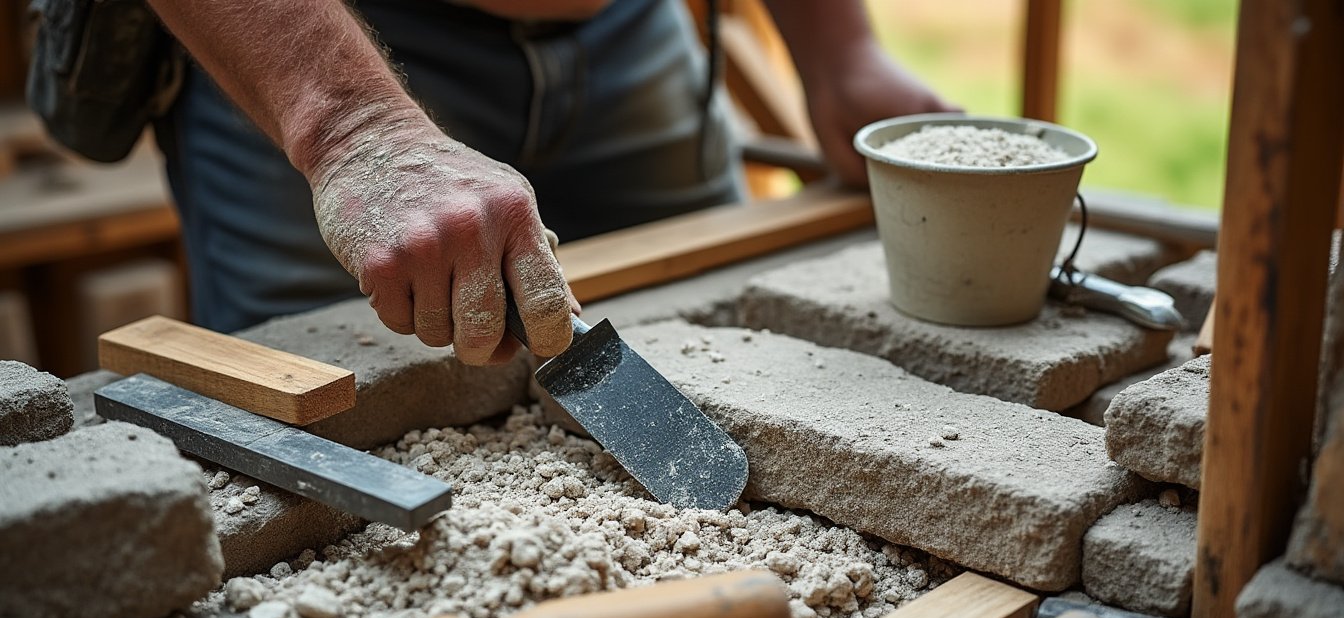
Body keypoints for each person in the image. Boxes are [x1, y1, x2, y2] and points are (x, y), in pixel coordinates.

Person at [145, 0, 955, 364]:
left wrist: (839, 48)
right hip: (322, 34)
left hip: (629, 26)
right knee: (306, 420)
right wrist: (352, 128)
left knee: (722, 344)